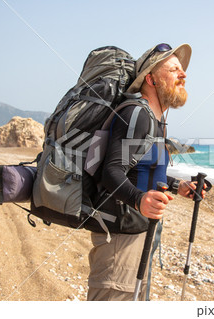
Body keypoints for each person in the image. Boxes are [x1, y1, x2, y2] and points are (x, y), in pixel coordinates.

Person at [87, 43, 205, 301]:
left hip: (139, 232)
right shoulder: (136, 114)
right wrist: (140, 200)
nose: (183, 74)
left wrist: (178, 186)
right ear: (150, 79)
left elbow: (139, 170)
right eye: (173, 69)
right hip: (120, 239)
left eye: (181, 69)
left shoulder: (154, 119)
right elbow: (112, 171)